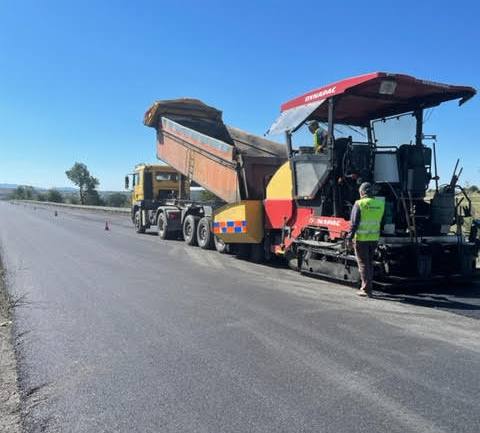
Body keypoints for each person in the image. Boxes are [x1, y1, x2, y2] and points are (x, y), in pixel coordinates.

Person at [347, 182, 385, 297]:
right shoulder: (380, 204)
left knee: (363, 264)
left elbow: (354, 223)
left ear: (362, 192)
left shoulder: (359, 203)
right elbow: (381, 222)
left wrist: (349, 238)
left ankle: (366, 289)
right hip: (373, 238)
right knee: (369, 263)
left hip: (361, 239)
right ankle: (368, 286)